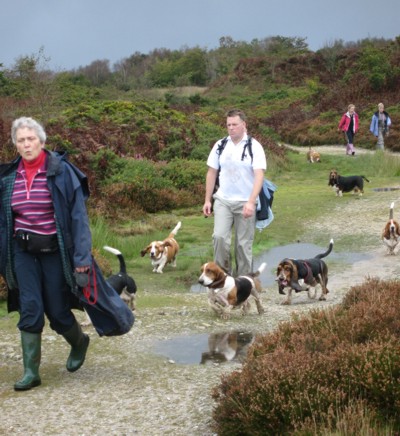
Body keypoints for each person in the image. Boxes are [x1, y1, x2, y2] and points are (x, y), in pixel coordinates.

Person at [0, 117, 92, 391]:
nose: (26, 144)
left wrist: (83, 260)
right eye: (21, 140)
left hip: (55, 251)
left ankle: (79, 342)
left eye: (31, 139)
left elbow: (78, 219)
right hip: (22, 251)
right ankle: (31, 371)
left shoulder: (61, 172)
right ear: (15, 144)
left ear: (41, 141)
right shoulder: (8, 177)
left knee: (57, 310)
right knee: (30, 307)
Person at [202, 109, 266, 276]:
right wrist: (207, 200)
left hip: (245, 201)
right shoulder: (220, 145)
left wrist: (251, 202)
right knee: (219, 238)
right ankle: (223, 279)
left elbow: (259, 175)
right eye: (228, 125)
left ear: (244, 125)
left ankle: (244, 283)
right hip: (223, 200)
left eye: (235, 125)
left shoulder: (255, 147)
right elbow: (211, 172)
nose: (231, 128)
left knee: (242, 245)